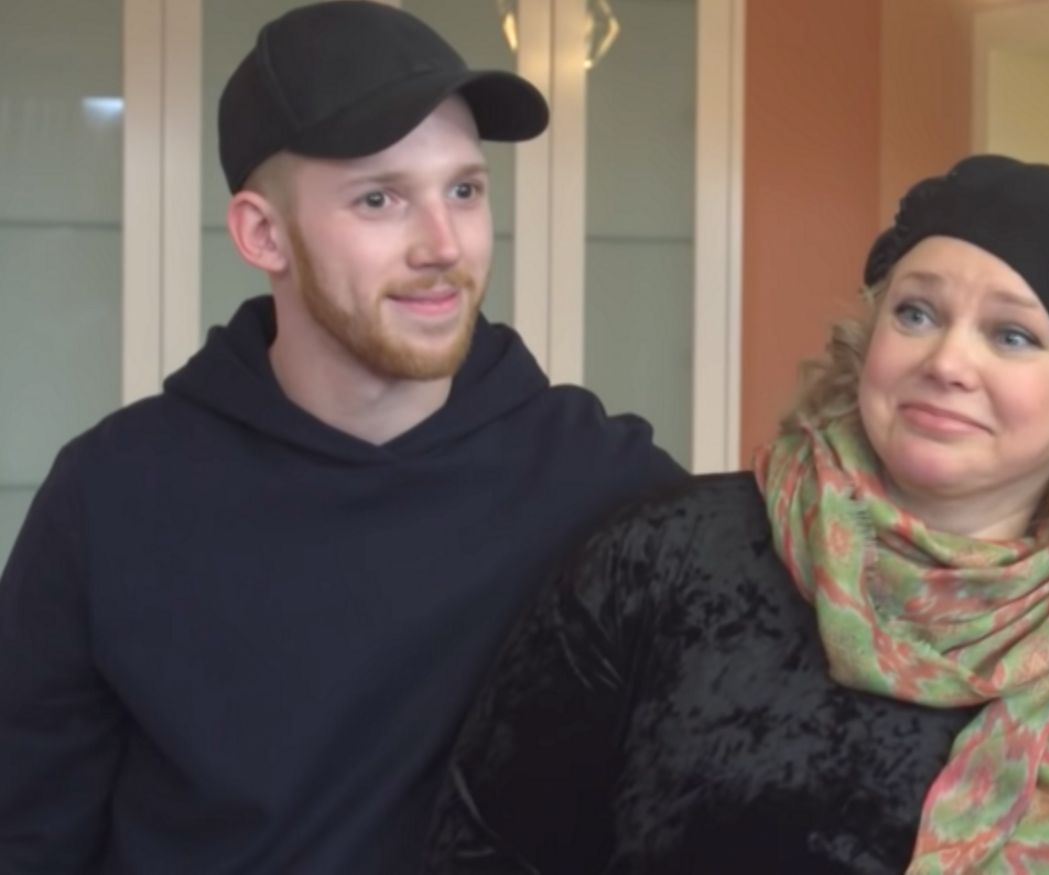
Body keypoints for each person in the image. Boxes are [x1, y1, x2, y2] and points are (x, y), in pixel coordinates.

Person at [424, 156, 1049, 873]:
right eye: (916, 313)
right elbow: (488, 845)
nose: (947, 361)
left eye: (1012, 335)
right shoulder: (663, 559)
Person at [0, 3, 683, 871]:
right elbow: (25, 832)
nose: (444, 245)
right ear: (263, 233)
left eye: (464, 190)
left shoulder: (607, 488)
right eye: (379, 198)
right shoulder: (112, 496)